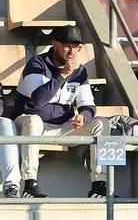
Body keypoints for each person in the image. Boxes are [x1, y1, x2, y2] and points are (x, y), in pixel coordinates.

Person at [15, 26, 108, 198]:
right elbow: (37, 100)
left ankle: (99, 185)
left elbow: (88, 105)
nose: (72, 51)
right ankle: (29, 184)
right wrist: (62, 75)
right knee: (33, 120)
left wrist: (83, 116)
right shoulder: (36, 64)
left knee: (102, 123)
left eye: (76, 47)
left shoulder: (80, 71)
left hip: (64, 126)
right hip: (32, 126)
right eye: (67, 46)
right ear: (55, 44)